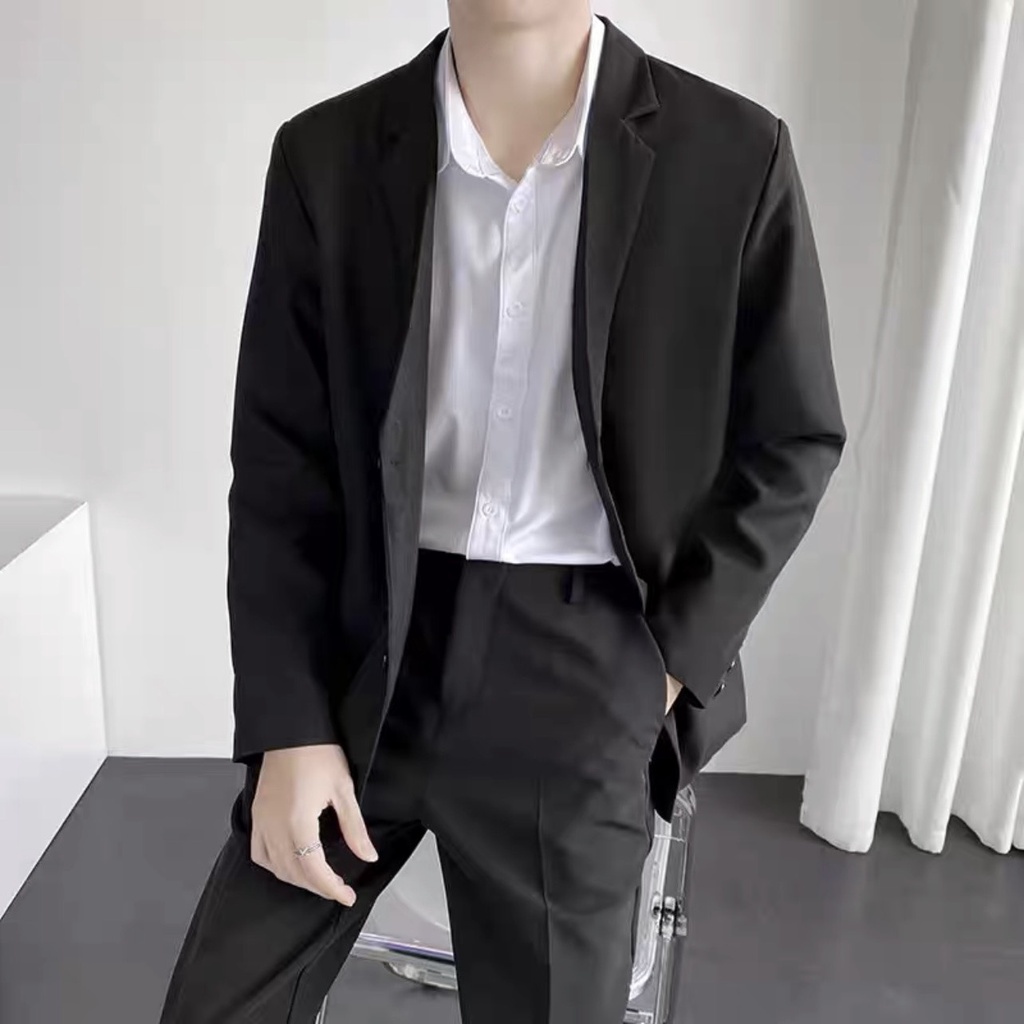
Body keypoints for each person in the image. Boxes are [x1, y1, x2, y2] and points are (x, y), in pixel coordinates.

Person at [159, 2, 846, 1021]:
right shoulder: (326, 156)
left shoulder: (734, 154)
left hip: (584, 666)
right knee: (221, 1002)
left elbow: (794, 437)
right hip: (366, 655)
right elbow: (279, 466)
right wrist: (288, 724)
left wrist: (662, 666)